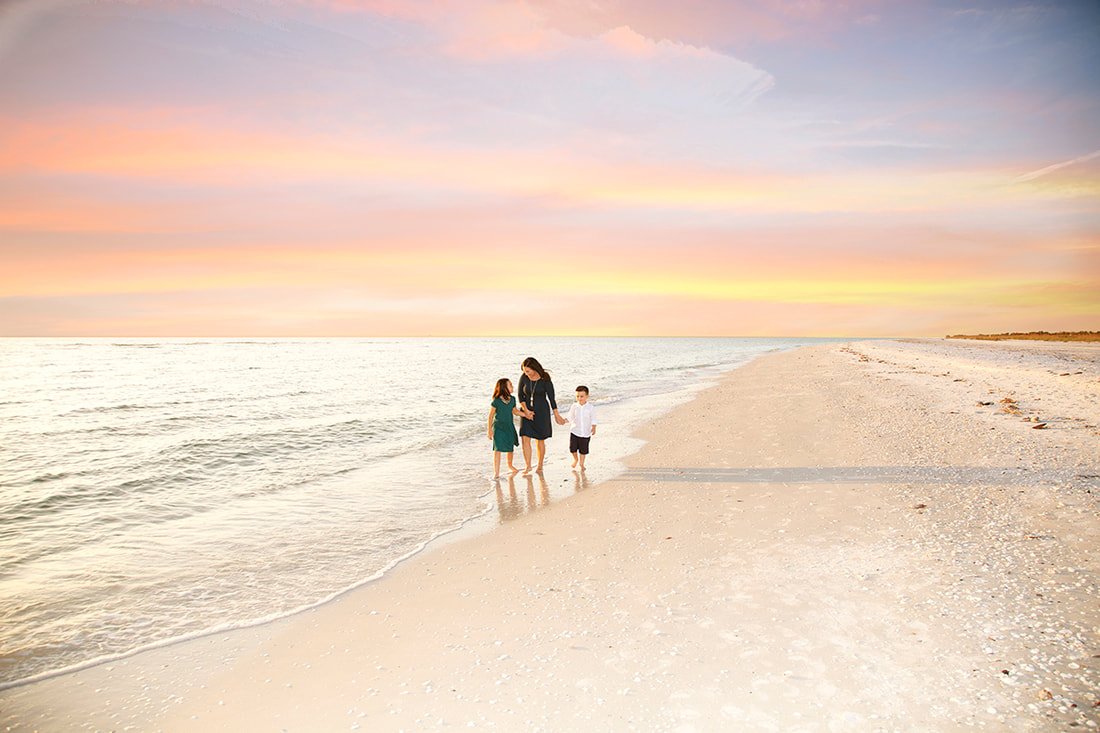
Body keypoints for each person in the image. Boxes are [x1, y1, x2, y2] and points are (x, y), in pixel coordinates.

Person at [517, 356, 565, 474]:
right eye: (524, 371)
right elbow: (520, 395)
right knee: (525, 438)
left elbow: (551, 398)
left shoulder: (545, 379)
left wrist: (557, 415)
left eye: (527, 371)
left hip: (541, 412)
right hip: (526, 411)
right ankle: (528, 466)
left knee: (540, 440)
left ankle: (539, 466)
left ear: (534, 368)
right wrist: (526, 411)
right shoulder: (524, 377)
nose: (526, 373)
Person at [487, 378, 524, 478]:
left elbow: (515, 411)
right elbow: (491, 416)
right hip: (498, 427)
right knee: (497, 449)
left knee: (510, 448)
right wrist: (489, 430)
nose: (512, 386)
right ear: (504, 387)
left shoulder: (512, 399)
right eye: (510, 385)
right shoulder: (497, 401)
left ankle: (510, 465)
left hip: (509, 426)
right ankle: (496, 472)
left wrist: (525, 415)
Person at [565, 385, 597, 469]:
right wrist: (564, 420)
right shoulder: (574, 406)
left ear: (587, 396)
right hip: (575, 431)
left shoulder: (590, 407)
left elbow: (593, 418)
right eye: (577, 396)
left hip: (585, 433)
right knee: (572, 449)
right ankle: (575, 459)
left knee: (583, 450)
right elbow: (570, 416)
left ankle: (581, 463)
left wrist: (594, 427)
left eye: (582, 396)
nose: (579, 398)